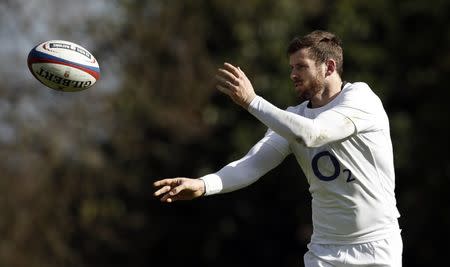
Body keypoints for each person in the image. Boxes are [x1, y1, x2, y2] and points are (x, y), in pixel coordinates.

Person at [153, 30, 402, 266]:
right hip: (326, 250)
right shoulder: (292, 118)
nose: (293, 74)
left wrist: (252, 102)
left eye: (301, 66)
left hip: (377, 246)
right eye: (291, 68)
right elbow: (251, 164)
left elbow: (313, 134)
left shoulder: (362, 99)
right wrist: (204, 184)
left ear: (329, 67)